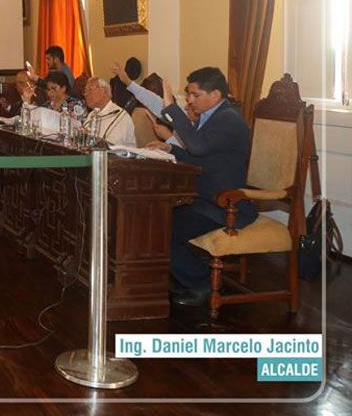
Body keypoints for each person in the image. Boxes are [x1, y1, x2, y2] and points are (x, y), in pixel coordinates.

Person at [143, 67, 252, 307]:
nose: (190, 100)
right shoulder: (214, 116)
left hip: (224, 204)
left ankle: (202, 282)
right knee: (153, 219)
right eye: (188, 94)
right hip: (205, 198)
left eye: (195, 94)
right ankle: (190, 275)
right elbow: (200, 156)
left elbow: (198, 148)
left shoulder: (229, 119)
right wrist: (170, 148)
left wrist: (171, 107)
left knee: (160, 230)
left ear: (215, 95)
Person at [82, 77, 136, 147]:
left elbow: (111, 146)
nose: (86, 94)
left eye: (90, 89)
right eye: (85, 91)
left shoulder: (119, 116)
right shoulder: (92, 114)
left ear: (104, 92)